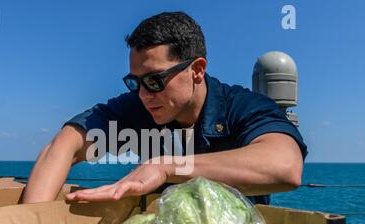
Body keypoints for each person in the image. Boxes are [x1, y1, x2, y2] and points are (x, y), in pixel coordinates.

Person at [21, 11, 307, 205]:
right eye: (135, 83)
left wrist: (167, 167)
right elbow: (63, 145)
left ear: (197, 70)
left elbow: (285, 167)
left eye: (155, 81)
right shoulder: (138, 107)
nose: (144, 94)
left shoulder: (242, 106)